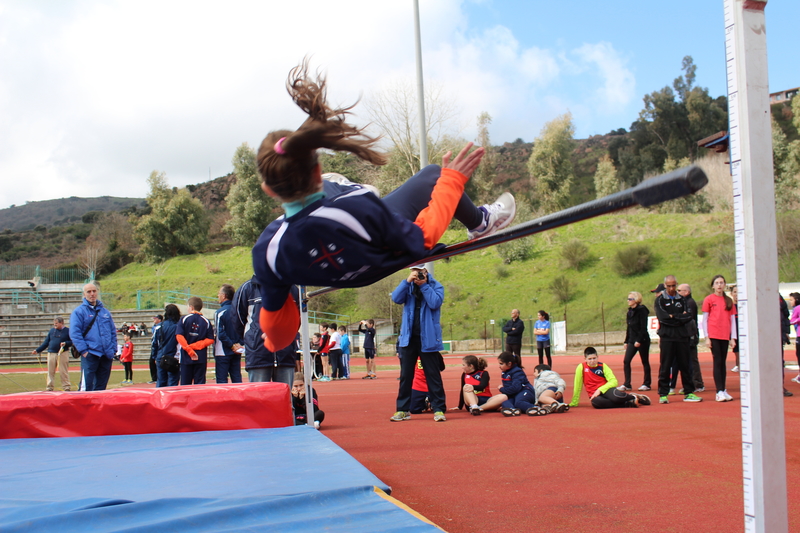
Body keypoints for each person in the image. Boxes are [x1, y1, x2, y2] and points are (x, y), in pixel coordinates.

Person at [250, 60, 515, 354]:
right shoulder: (355, 207)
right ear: (316, 170)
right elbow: (421, 238)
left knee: (335, 203)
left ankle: (329, 187)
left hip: (346, 264)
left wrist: (273, 340)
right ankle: (480, 222)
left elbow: (278, 327)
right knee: (432, 175)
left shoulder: (267, 250)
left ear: (268, 190)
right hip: (381, 252)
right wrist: (451, 181)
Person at [390, 265, 448, 422]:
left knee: (433, 375)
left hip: (428, 339)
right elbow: (396, 298)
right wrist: (406, 282)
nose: (417, 274)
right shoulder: (407, 285)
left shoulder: (436, 286)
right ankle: (402, 409)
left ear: (426, 272)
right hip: (409, 339)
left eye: (420, 271)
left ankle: (439, 409)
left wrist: (424, 285)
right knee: (406, 375)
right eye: (414, 271)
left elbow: (435, 302)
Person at [231, 276, 297, 388]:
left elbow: (296, 319)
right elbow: (237, 319)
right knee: (257, 399)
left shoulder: (292, 288)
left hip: (285, 353)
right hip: (258, 354)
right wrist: (253, 336)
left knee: (285, 400)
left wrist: (282, 335)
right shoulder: (247, 288)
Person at [653, 275, 702, 404]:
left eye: (673, 285)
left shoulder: (683, 300)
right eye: (669, 286)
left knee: (685, 365)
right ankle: (663, 394)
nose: (671, 288)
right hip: (667, 337)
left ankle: (689, 392)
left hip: (682, 336)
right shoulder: (660, 300)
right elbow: (663, 318)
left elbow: (688, 316)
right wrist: (678, 318)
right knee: (666, 365)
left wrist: (673, 317)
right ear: (665, 285)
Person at [70, 283, 118, 392]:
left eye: (94, 291)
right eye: (89, 292)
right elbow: (74, 333)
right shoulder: (79, 312)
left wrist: (113, 349)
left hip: (106, 354)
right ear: (84, 294)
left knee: (101, 388)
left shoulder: (105, 312)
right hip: (90, 353)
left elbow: (112, 332)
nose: (92, 294)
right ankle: (83, 408)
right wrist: (84, 351)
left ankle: (98, 409)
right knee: (86, 387)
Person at [569, 347, 651, 409]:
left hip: (607, 390)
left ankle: (634, 397)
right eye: (589, 359)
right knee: (597, 404)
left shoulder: (603, 366)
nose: (592, 361)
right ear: (585, 359)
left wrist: (600, 390)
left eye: (594, 358)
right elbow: (578, 385)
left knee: (617, 397)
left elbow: (614, 381)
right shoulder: (581, 367)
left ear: (597, 357)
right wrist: (574, 402)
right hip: (594, 394)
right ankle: (629, 403)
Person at [702, 275, 737, 402]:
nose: (719, 285)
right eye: (717, 283)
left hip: (725, 335)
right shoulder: (709, 299)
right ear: (713, 285)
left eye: (721, 282)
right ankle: (719, 391)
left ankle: (723, 389)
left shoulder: (729, 301)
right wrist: (707, 337)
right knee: (717, 361)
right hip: (714, 334)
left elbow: (732, 320)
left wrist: (733, 337)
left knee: (723, 362)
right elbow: (705, 319)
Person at [176, 297, 214, 386]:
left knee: (185, 384)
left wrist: (189, 348)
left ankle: (185, 400)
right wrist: (196, 346)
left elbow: (179, 336)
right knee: (200, 384)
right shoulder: (206, 321)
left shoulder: (184, 319)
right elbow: (210, 339)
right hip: (200, 356)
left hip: (186, 356)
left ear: (191, 307)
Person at [32, 316, 72, 392]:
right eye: (54, 324)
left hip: (62, 353)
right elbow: (46, 343)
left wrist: (66, 343)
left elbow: (72, 342)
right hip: (51, 353)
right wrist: (37, 350)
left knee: (63, 371)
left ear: (61, 323)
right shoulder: (51, 331)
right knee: (50, 371)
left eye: (56, 323)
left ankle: (66, 386)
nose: (55, 325)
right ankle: (49, 387)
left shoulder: (68, 331)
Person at [621, 291, 651, 392]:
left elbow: (643, 327)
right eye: (628, 299)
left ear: (636, 300)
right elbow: (629, 328)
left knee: (645, 361)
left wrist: (639, 340)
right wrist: (626, 341)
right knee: (626, 360)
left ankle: (646, 383)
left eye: (630, 299)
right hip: (632, 340)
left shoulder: (642, 310)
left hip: (642, 340)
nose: (628, 301)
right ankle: (627, 384)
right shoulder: (629, 312)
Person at [213, 284, 243, 384]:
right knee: (237, 378)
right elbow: (244, 329)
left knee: (222, 380)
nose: (218, 296)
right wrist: (238, 344)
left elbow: (220, 333)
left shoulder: (220, 312)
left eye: (219, 294)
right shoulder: (239, 311)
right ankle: (240, 399)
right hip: (237, 350)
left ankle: (223, 399)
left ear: (224, 295)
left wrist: (231, 345)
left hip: (223, 351)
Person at [677, 283, 704, 393]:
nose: (677, 292)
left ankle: (697, 383)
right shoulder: (684, 302)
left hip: (690, 335)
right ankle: (691, 383)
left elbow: (687, 319)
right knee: (686, 361)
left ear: (686, 292)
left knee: (692, 360)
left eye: (679, 290)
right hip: (686, 335)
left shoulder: (690, 303)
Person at [154, 304, 181, 387]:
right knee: (173, 382)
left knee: (161, 381)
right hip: (174, 357)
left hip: (161, 356)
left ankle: (159, 399)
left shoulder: (159, 326)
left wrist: (154, 356)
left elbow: (155, 343)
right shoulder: (179, 326)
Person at [789, 292, 800, 384]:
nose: (790, 302)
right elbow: (793, 321)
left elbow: (792, 321)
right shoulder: (796, 309)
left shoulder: (797, 308)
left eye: (791, 300)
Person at [148, 314, 163, 384]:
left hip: (158, 347)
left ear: (159, 320)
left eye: (155, 319)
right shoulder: (154, 327)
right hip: (156, 346)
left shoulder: (159, 327)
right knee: (152, 362)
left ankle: (157, 378)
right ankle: (155, 378)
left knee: (155, 361)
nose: (154, 320)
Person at [731, 286, 740, 372]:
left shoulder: (745, 306)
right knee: (736, 349)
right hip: (735, 331)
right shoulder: (731, 306)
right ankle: (738, 364)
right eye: (735, 292)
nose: (737, 294)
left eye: (738, 292)